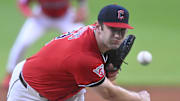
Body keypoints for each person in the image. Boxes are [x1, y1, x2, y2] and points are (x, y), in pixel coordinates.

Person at [7, 4, 150, 101]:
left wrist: (109, 69)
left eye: (121, 30)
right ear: (99, 26)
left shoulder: (93, 34)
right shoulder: (84, 57)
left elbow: (103, 79)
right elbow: (109, 93)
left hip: (66, 89)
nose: (118, 35)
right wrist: (138, 97)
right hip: (28, 91)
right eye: (112, 29)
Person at [2, 0, 88, 89]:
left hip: (66, 17)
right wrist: (29, 13)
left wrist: (82, 9)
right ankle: (10, 73)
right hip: (41, 17)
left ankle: (86, 72)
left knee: (83, 39)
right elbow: (22, 3)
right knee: (23, 43)